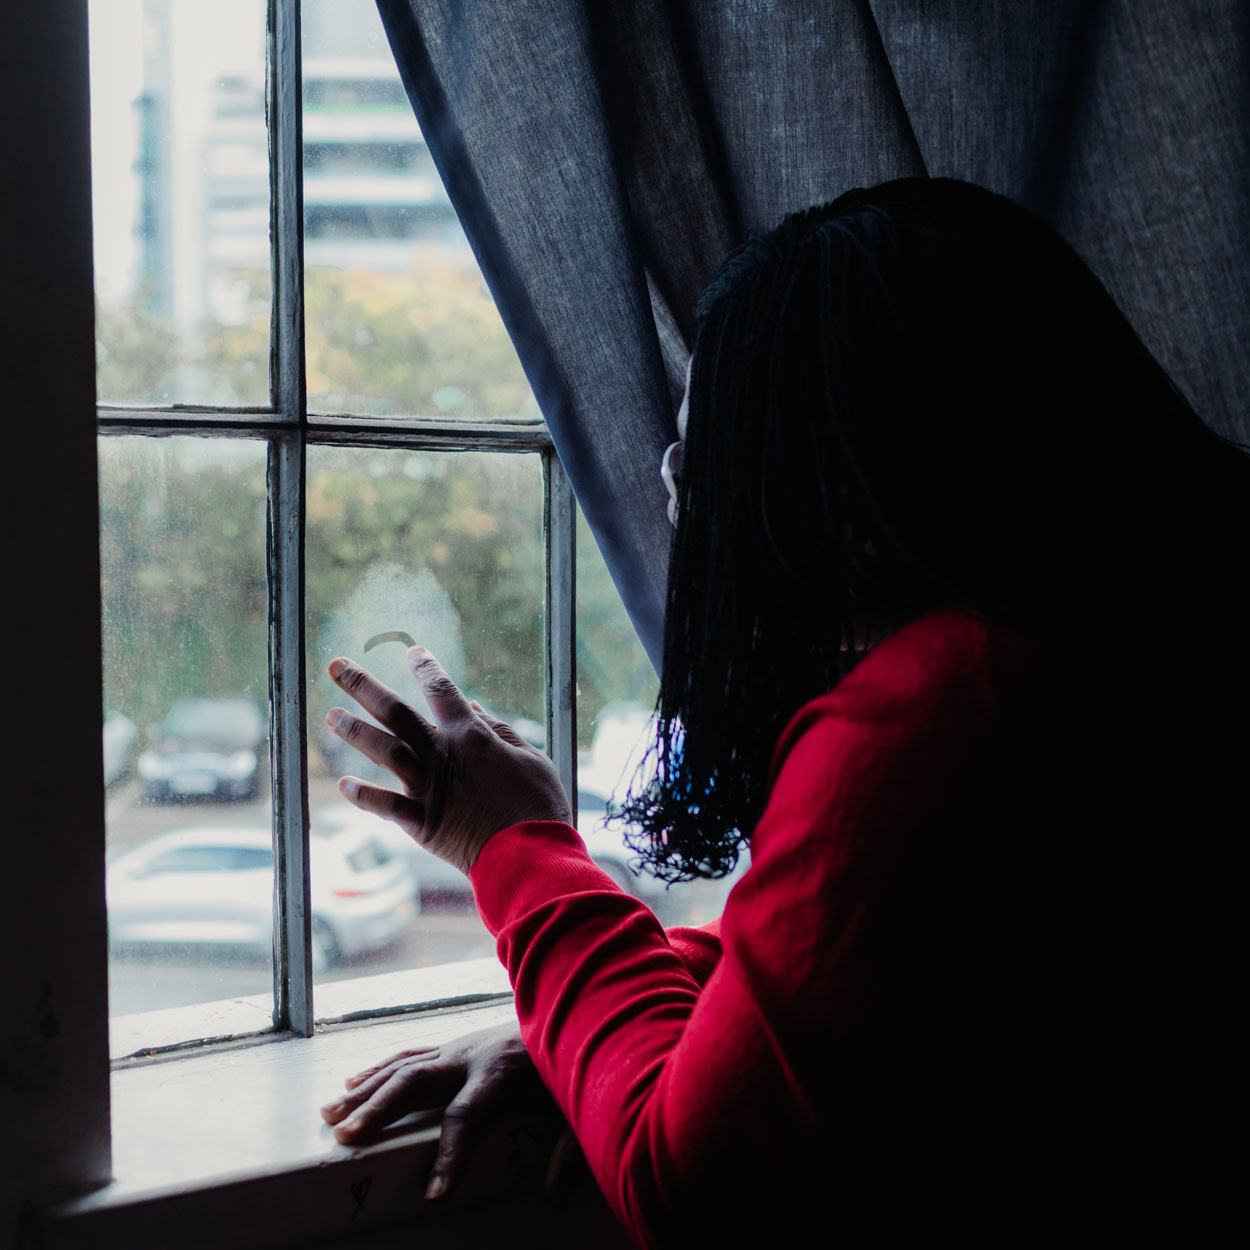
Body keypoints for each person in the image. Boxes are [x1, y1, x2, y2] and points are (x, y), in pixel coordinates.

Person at [318, 179, 1249, 1246]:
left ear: (844, 489)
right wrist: (606, 1016)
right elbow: (894, 953)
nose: (680, 497)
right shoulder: (1158, 646)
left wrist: (514, 844)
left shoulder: (951, 704)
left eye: (699, 460)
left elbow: (692, 1193)